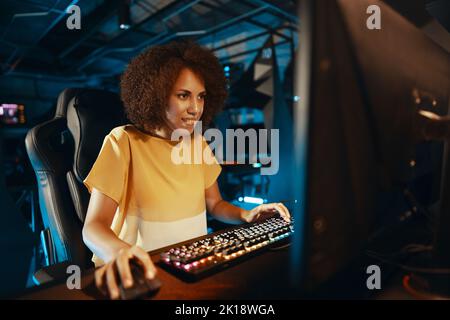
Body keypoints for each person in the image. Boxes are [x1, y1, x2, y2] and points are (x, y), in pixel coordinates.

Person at [82, 40, 291, 299]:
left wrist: (247, 215)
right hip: (140, 276)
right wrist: (118, 251)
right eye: (183, 95)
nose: (196, 108)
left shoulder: (198, 143)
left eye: (201, 96)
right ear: (155, 95)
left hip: (190, 266)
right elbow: (93, 227)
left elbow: (215, 205)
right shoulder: (122, 142)